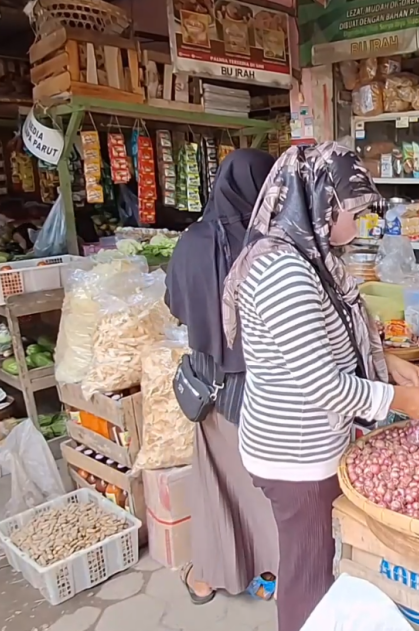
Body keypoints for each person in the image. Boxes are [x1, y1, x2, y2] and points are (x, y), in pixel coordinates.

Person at [222, 142, 419, 631]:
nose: (360, 222)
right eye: (353, 209)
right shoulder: (283, 271)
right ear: (319, 201)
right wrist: (397, 400)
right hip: (296, 453)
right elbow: (320, 383)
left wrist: (387, 364)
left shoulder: (308, 256)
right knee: (308, 575)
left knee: (313, 561)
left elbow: (321, 343)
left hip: (304, 442)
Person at [165, 149, 280, 604]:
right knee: (264, 487)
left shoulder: (191, 240)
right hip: (265, 387)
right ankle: (272, 573)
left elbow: (176, 303)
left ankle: (210, 576)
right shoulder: (274, 246)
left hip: (210, 383)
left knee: (217, 486)